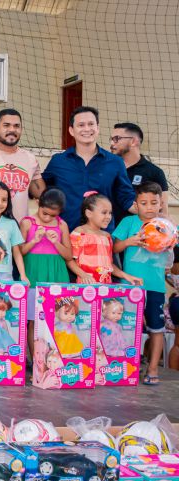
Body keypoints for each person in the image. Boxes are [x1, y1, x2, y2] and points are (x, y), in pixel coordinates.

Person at [41, 106, 135, 231]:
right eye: (81, 125)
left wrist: (152, 210)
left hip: (102, 237)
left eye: (91, 124)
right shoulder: (58, 161)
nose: (87, 129)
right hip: (65, 235)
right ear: (71, 130)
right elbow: (41, 191)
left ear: (98, 128)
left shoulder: (115, 162)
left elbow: (126, 198)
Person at [112, 182, 167, 385]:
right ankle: (124, 366)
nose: (149, 207)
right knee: (125, 326)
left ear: (161, 203)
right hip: (130, 286)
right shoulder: (129, 222)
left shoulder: (166, 226)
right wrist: (130, 241)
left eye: (154, 203)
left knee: (156, 328)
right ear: (136, 204)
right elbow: (114, 248)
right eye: (144, 203)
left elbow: (173, 253)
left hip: (156, 286)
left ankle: (152, 369)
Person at [18, 189, 72, 357]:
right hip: (33, 273)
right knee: (33, 320)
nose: (48, 218)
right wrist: (34, 240)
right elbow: (19, 252)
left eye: (52, 215)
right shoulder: (27, 223)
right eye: (45, 213)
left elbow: (68, 255)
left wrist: (56, 242)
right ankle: (36, 360)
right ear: (38, 203)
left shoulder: (62, 225)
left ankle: (55, 357)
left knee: (57, 318)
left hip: (57, 274)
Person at [70, 192, 142, 285]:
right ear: (89, 213)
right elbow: (69, 260)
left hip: (106, 287)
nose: (108, 217)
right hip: (85, 287)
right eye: (104, 212)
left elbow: (109, 265)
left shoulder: (107, 237)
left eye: (110, 213)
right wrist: (83, 275)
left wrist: (126, 276)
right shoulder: (80, 233)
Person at [109, 122, 170, 220]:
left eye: (117, 139)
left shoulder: (155, 172)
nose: (112, 143)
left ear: (133, 141)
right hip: (108, 228)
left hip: (140, 229)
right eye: (111, 139)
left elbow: (163, 213)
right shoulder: (107, 168)